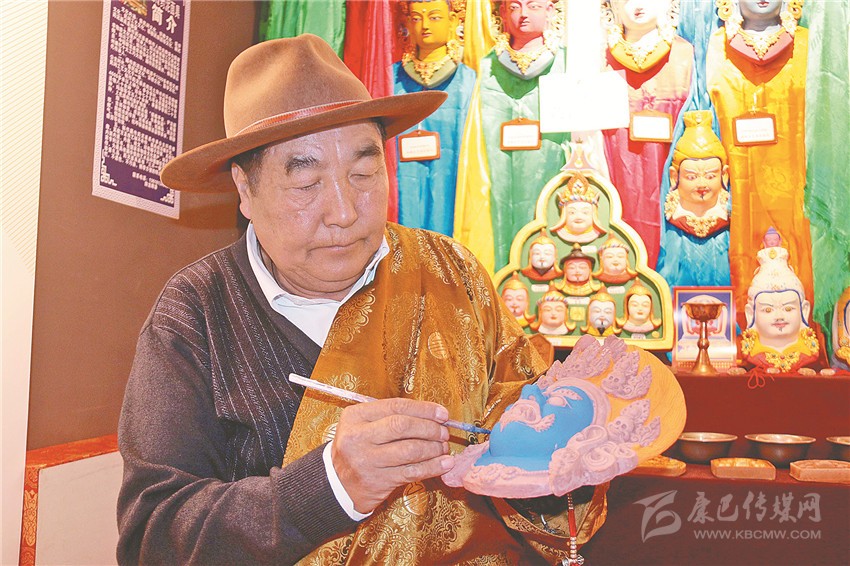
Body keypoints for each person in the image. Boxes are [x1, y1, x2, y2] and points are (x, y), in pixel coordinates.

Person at [117, 35, 606, 565]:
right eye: (306, 183)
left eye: (364, 173)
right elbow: (152, 537)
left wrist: (565, 452)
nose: (345, 212)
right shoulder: (196, 313)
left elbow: (529, 426)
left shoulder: (450, 272)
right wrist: (329, 486)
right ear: (245, 189)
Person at [453, 0, 569, 272]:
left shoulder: (566, 63)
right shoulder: (487, 68)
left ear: (550, 10)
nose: (523, 15)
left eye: (533, 6)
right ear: (503, 12)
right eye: (515, 7)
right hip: (497, 176)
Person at [601, 0, 694, 267]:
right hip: (616, 164)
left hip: (669, 168)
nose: (637, 5)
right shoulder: (601, 55)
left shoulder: (683, 54)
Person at [393, 0, 476, 235]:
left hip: (451, 184)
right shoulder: (392, 79)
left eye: (435, 17)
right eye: (417, 18)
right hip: (403, 184)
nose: (425, 26)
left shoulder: (468, 81)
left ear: (453, 21)